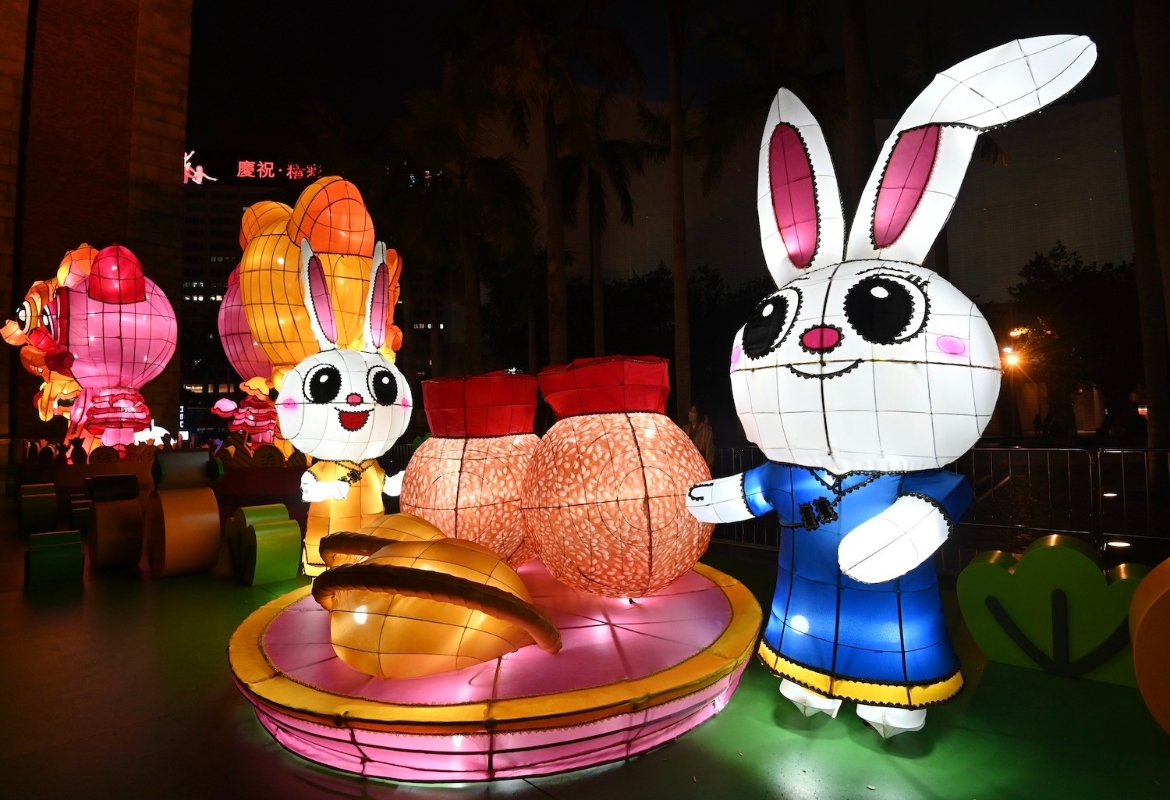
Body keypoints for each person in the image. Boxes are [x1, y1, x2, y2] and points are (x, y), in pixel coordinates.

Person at [683, 405, 715, 469]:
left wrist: (709, 465)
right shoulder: (685, 428)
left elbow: (709, 448)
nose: (691, 413)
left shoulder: (705, 429)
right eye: (690, 411)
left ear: (699, 414)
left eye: (693, 411)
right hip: (689, 461)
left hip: (701, 461)